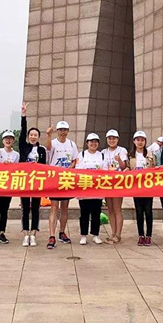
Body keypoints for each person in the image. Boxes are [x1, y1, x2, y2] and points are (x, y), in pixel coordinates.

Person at [45, 121, 78, 249]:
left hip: (66, 179)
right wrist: (48, 135)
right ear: (57, 131)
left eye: (65, 129)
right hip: (55, 179)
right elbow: (48, 148)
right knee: (54, 208)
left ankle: (62, 232)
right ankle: (51, 235)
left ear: (68, 131)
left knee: (65, 207)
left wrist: (71, 166)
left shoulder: (72, 144)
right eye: (60, 129)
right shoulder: (53, 142)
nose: (63, 132)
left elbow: (75, 160)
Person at [19, 102, 47, 247]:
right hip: (25, 182)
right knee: (25, 209)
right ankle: (26, 234)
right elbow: (22, 131)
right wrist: (23, 115)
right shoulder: (24, 146)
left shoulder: (42, 150)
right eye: (31, 135)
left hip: (37, 183)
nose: (33, 137)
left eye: (35, 135)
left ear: (38, 137)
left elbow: (45, 167)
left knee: (36, 209)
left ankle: (34, 234)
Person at [0, 130, 19, 247]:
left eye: (10, 138)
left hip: (8, 185)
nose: (8, 140)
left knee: (4, 210)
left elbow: (16, 169)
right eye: (6, 138)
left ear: (13, 141)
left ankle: (2, 233)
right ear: (3, 141)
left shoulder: (16, 154)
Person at [75, 133, 106, 245]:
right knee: (84, 214)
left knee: (96, 214)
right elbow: (78, 170)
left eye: (96, 142)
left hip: (97, 190)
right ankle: (83, 235)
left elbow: (105, 171)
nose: (93, 144)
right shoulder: (82, 155)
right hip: (84, 190)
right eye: (91, 142)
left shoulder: (101, 155)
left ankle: (95, 235)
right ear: (87, 143)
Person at [127, 131, 155, 246]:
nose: (140, 142)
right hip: (136, 187)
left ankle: (149, 235)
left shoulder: (150, 154)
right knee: (139, 212)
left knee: (148, 212)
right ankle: (141, 235)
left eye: (142, 140)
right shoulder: (130, 155)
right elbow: (128, 168)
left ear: (145, 141)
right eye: (137, 140)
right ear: (134, 141)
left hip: (148, 187)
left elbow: (155, 168)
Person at [102, 129, 128, 244]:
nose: (112, 140)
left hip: (118, 183)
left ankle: (118, 234)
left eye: (114, 138)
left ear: (117, 139)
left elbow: (124, 167)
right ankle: (112, 233)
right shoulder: (103, 152)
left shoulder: (122, 150)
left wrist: (119, 160)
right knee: (110, 209)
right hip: (107, 183)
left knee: (117, 209)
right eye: (110, 138)